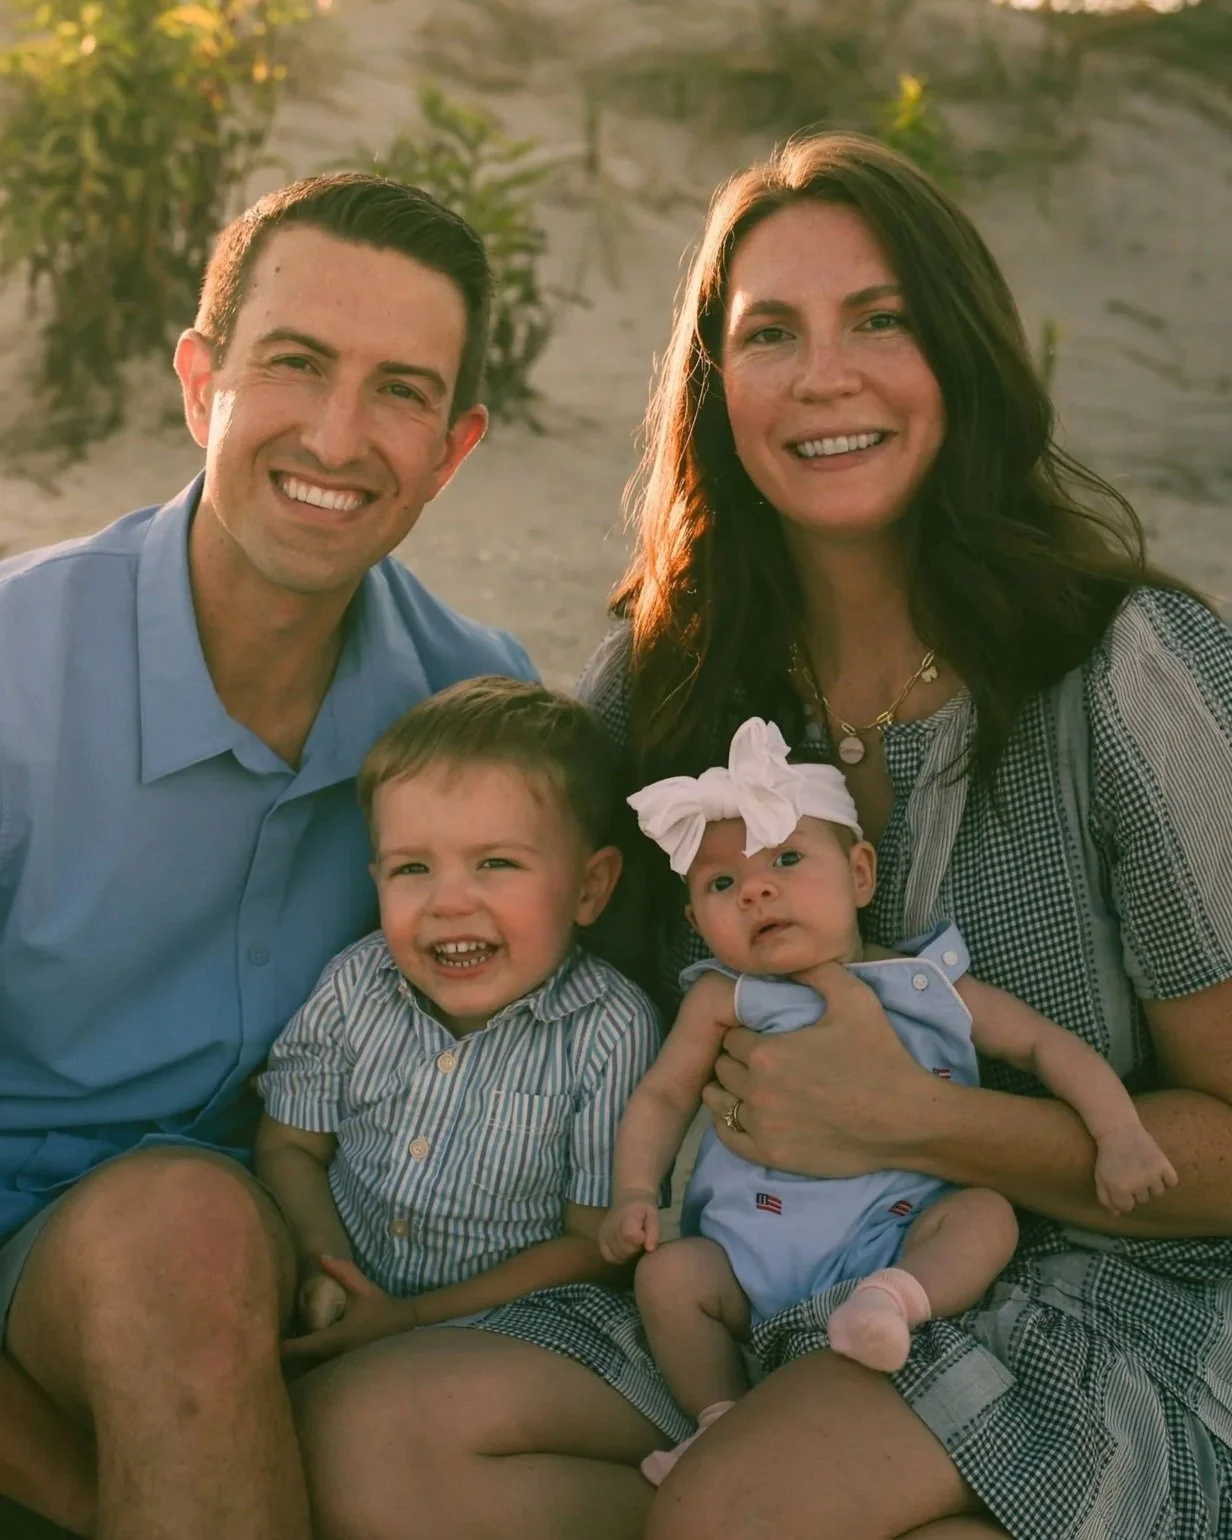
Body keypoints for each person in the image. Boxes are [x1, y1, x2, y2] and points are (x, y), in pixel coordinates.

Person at [293, 130, 1232, 1540]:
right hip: (747, 1277)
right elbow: (544, 973)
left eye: (881, 322)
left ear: (961, 357)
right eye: (770, 335)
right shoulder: (672, 679)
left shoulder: (1125, 667)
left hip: (1090, 1283)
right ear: (716, 387)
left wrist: (920, 1120)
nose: (824, 377)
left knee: (742, 1514)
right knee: (376, 1443)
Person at [0, 172, 537, 1539]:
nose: (338, 435)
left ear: (456, 445)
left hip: (309, 1274)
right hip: (48, 1263)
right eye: (294, 365)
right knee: (183, 1228)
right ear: (200, 383)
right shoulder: (13, 678)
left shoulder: (477, 714)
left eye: (401, 391)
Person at [600, 715, 1177, 1485]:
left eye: (789, 858)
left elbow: (1046, 1045)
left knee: (984, 1217)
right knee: (668, 1278)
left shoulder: (928, 983)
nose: (757, 889)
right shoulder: (723, 998)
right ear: (695, 921)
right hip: (746, 1261)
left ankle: (891, 1303)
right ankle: (720, 1418)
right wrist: (636, 1189)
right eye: (722, 883)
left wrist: (1120, 1134)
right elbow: (663, 1094)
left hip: (893, 1240)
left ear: (861, 873)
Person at [253, 677, 659, 1362]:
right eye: (413, 868)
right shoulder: (357, 986)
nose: (448, 903)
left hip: (512, 1337)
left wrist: (411, 1318)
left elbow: (594, 1244)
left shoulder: (609, 1030)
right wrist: (329, 1272)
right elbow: (290, 1146)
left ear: (589, 888)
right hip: (342, 1299)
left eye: (495, 863)